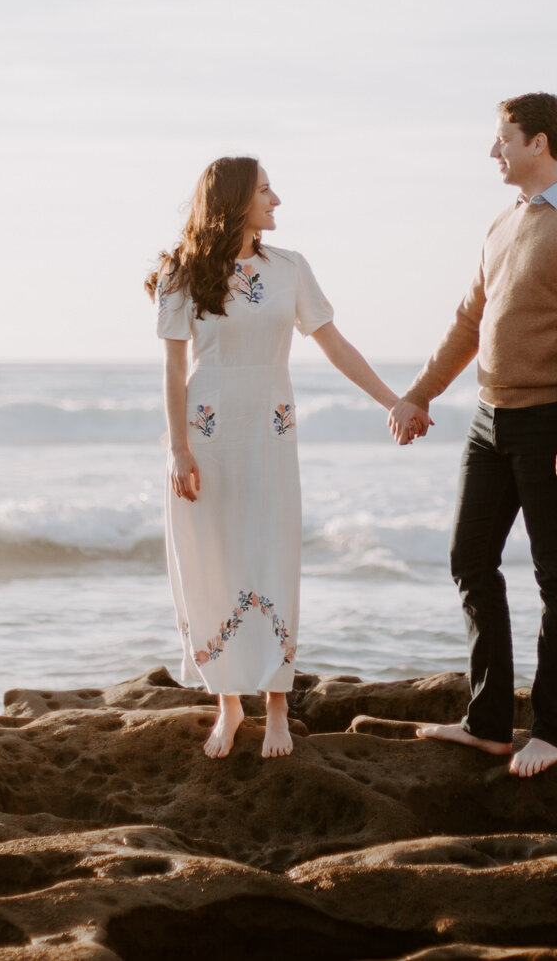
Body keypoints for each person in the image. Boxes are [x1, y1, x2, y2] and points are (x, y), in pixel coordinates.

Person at [388, 93, 557, 777]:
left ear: (540, 143)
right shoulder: (501, 225)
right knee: (469, 559)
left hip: (554, 421)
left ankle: (551, 729)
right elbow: (469, 321)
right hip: (489, 418)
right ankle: (489, 722)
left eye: (503, 139)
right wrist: (419, 394)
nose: (493, 151)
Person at [149, 156, 401, 759]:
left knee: (270, 551)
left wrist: (394, 400)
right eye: (266, 190)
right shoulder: (182, 273)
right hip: (207, 433)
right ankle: (230, 705)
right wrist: (179, 448)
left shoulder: (290, 269)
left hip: (270, 431)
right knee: (214, 556)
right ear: (235, 199)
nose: (277, 200)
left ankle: (279, 706)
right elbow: (173, 368)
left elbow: (333, 344)